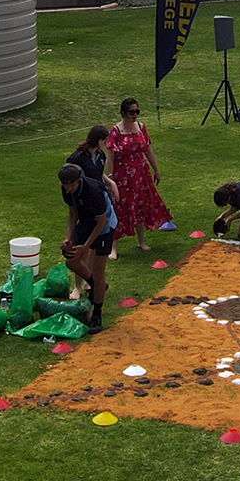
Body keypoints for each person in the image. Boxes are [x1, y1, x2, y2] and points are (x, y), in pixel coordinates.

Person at [104, 98, 172, 260]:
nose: (134, 115)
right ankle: (113, 247)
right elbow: (110, 158)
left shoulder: (141, 127)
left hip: (141, 174)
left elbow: (148, 150)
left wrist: (156, 170)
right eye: (131, 112)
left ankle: (141, 241)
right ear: (123, 113)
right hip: (123, 176)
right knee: (119, 207)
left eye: (137, 112)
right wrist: (111, 179)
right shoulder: (116, 131)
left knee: (141, 204)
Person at [58, 163, 114, 334]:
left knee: (98, 270)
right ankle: (96, 285)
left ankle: (97, 314)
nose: (70, 189)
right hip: (86, 221)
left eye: (73, 185)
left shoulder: (93, 191)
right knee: (71, 259)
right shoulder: (67, 189)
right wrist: (69, 238)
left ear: (79, 179)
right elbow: (73, 213)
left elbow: (102, 221)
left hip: (103, 225)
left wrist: (85, 247)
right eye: (66, 186)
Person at [67, 126, 120, 299]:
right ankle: (77, 286)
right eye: (105, 141)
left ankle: (90, 281)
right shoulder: (78, 158)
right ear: (99, 141)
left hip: (98, 201)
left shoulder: (101, 156)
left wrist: (110, 182)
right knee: (82, 248)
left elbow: (98, 175)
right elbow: (69, 179)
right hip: (84, 204)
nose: (107, 144)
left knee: (93, 247)